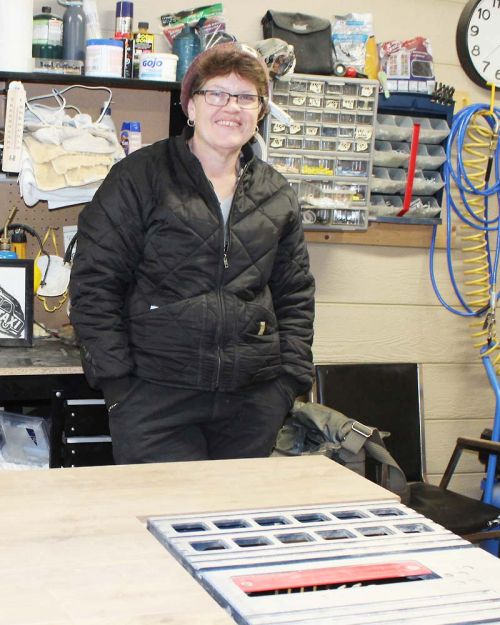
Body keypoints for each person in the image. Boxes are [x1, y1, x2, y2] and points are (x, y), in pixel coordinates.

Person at [69, 42, 315, 464]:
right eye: (216, 93)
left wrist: (286, 383)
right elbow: (95, 284)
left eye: (246, 97)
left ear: (260, 112)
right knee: (159, 520)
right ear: (191, 107)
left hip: (251, 404)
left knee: (234, 525)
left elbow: (295, 297)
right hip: (155, 398)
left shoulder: (276, 194)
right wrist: (119, 385)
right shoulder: (139, 177)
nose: (231, 107)